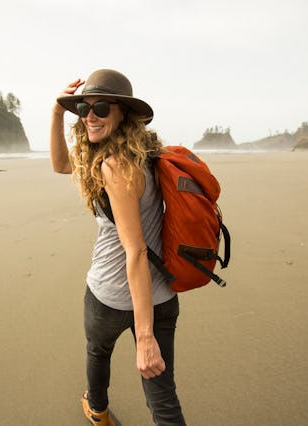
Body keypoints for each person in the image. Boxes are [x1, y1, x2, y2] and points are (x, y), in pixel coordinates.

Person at [50, 69, 186, 425]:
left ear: (122, 111)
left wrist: (144, 337)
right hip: (160, 296)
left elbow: (136, 250)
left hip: (110, 295)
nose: (90, 116)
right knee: (163, 396)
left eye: (101, 107)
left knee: (98, 351)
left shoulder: (113, 166)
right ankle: (97, 408)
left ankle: (97, 411)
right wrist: (56, 112)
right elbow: (61, 164)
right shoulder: (149, 155)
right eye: (83, 107)